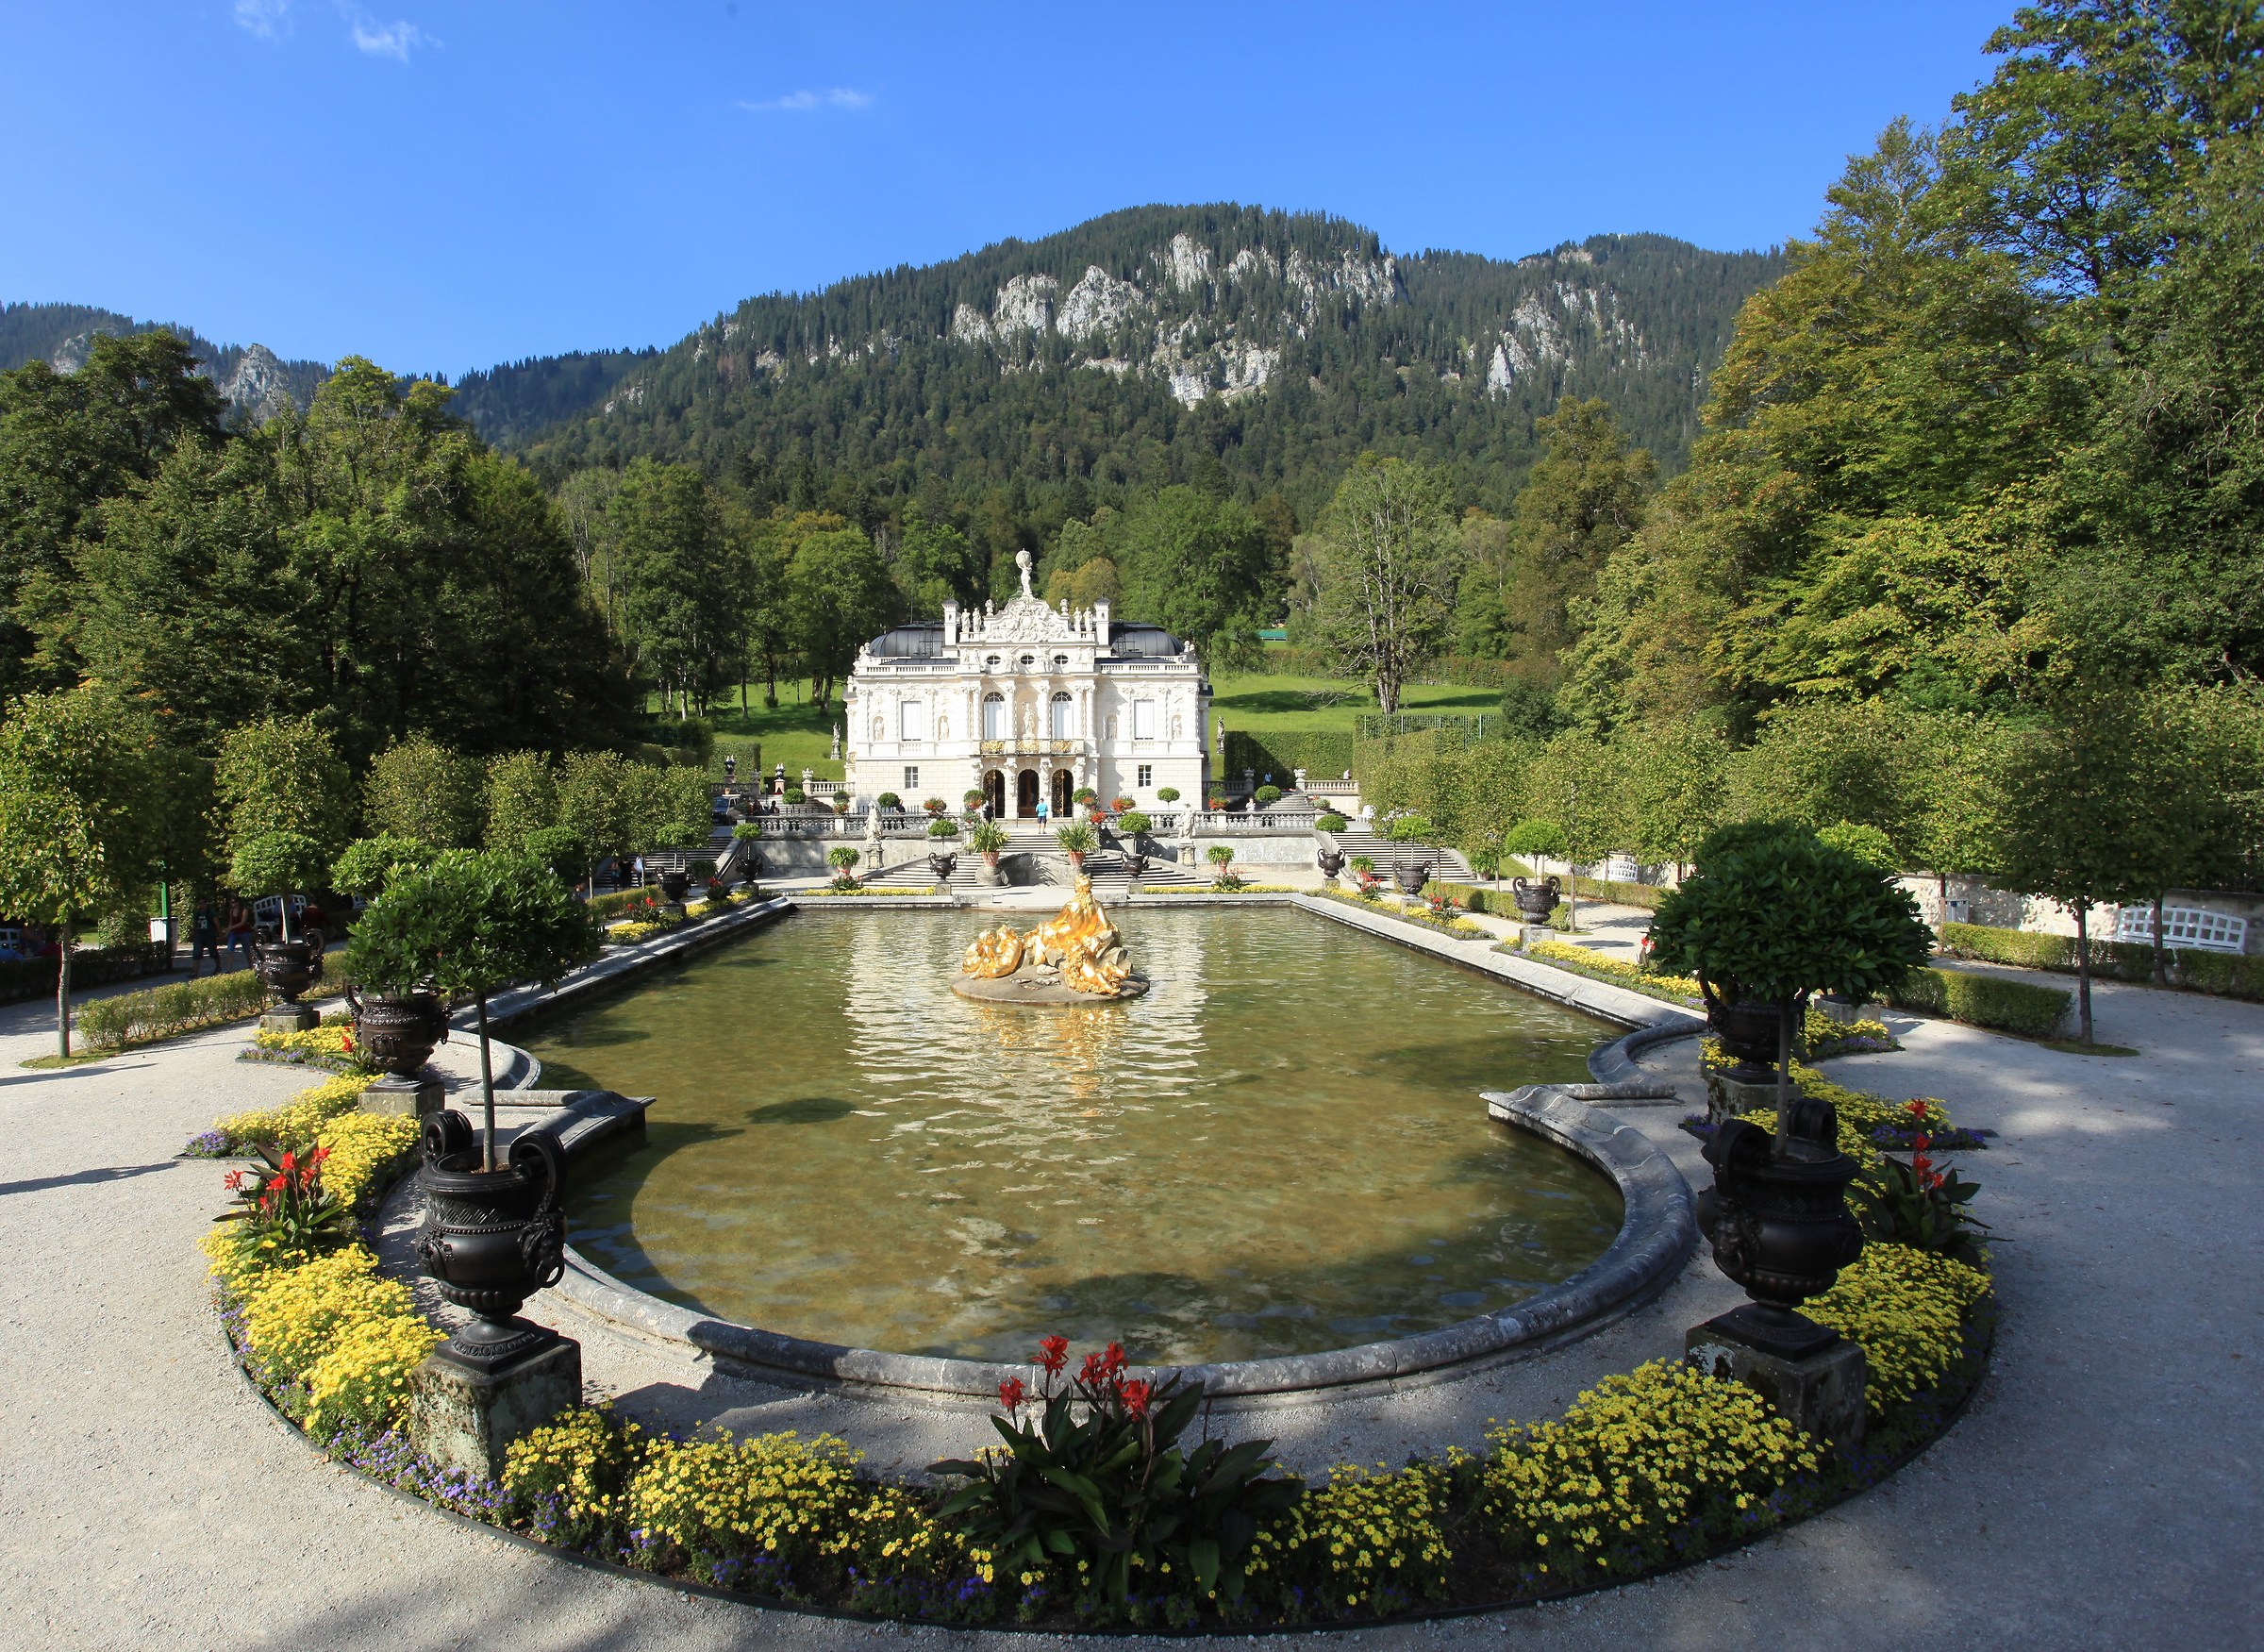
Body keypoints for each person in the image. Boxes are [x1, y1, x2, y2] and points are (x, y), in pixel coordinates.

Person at [189, 901, 220, 976]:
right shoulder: (197, 913)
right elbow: (195, 924)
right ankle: (194, 972)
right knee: (196, 953)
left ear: (206, 903)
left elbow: (217, 923)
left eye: (203, 903)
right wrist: (194, 934)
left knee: (213, 952)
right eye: (200, 903)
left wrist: (220, 934)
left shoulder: (210, 912)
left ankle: (218, 967)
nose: (201, 905)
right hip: (199, 936)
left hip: (210, 935)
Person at [222, 899, 254, 970]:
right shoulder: (231, 911)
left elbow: (242, 922)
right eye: (231, 902)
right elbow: (231, 923)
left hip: (244, 932)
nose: (232, 903)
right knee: (230, 949)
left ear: (238, 902)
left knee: (246, 950)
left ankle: (251, 966)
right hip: (234, 933)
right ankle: (228, 969)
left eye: (234, 902)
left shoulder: (244, 911)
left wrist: (231, 928)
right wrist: (227, 932)